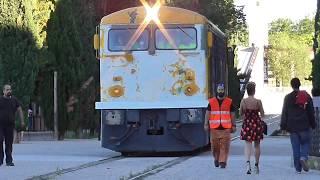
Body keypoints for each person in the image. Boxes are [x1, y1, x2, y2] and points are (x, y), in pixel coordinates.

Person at [280, 78, 316, 174]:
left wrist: (283, 126)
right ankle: (303, 157)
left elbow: (285, 113)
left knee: (295, 147)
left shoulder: (287, 98)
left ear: (292, 85)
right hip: (304, 125)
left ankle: (298, 169)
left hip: (292, 126)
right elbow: (310, 112)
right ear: (299, 85)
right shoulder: (306, 96)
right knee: (306, 143)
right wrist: (313, 124)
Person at [204, 83, 236, 168]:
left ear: (224, 91)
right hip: (214, 128)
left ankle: (223, 162)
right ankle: (216, 159)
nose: (220, 91)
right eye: (219, 90)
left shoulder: (229, 102)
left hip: (226, 128)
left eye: (222, 90)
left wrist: (234, 125)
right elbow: (207, 113)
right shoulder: (211, 102)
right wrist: (206, 124)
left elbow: (232, 114)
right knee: (215, 147)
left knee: (224, 146)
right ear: (217, 91)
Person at [239, 82, 265, 174]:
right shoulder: (258, 102)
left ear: (247, 91)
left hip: (247, 124)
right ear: (254, 91)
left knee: (248, 145)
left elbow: (240, 113)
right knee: (257, 145)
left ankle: (247, 163)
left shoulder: (243, 101)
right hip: (256, 124)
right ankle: (256, 166)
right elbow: (262, 114)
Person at [0, 84, 24, 166]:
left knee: (9, 143)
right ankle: (0, 159)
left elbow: (19, 109)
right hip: (0, 125)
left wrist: (22, 121)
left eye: (10, 89)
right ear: (3, 91)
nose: (9, 91)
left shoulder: (14, 100)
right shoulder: (0, 99)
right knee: (0, 140)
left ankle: (9, 160)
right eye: (7, 89)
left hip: (10, 125)